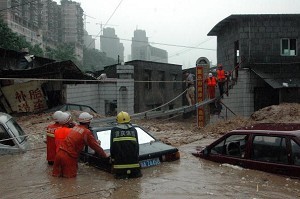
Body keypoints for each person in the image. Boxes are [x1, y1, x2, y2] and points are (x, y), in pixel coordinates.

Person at [52, 112, 108, 178]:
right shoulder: (86, 132)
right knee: (70, 182)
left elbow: (79, 139)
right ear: (88, 122)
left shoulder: (75, 128)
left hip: (59, 155)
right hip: (69, 158)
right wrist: (105, 155)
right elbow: (96, 147)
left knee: (56, 180)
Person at [110, 111, 142, 179]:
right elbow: (137, 147)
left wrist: (112, 159)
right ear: (129, 119)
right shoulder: (134, 130)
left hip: (119, 167)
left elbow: (112, 147)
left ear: (117, 120)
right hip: (134, 165)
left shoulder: (114, 130)